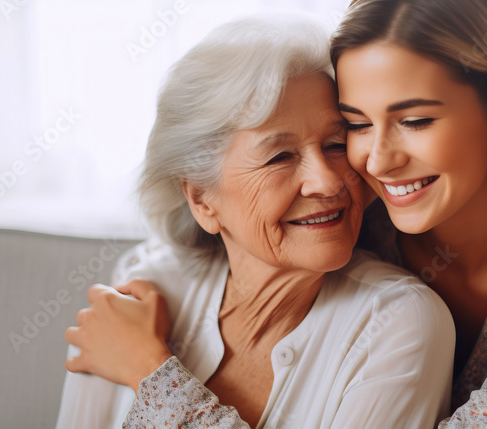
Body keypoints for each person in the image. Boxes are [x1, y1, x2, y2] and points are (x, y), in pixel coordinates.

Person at [96, 0, 487, 428]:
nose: (377, 159)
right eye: (354, 124)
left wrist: (155, 377)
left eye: (416, 120)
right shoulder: (356, 223)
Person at [54, 16, 455, 429]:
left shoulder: (398, 322)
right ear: (200, 198)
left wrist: (151, 370)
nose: (327, 181)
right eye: (279, 156)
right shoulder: (144, 284)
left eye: (336, 144)